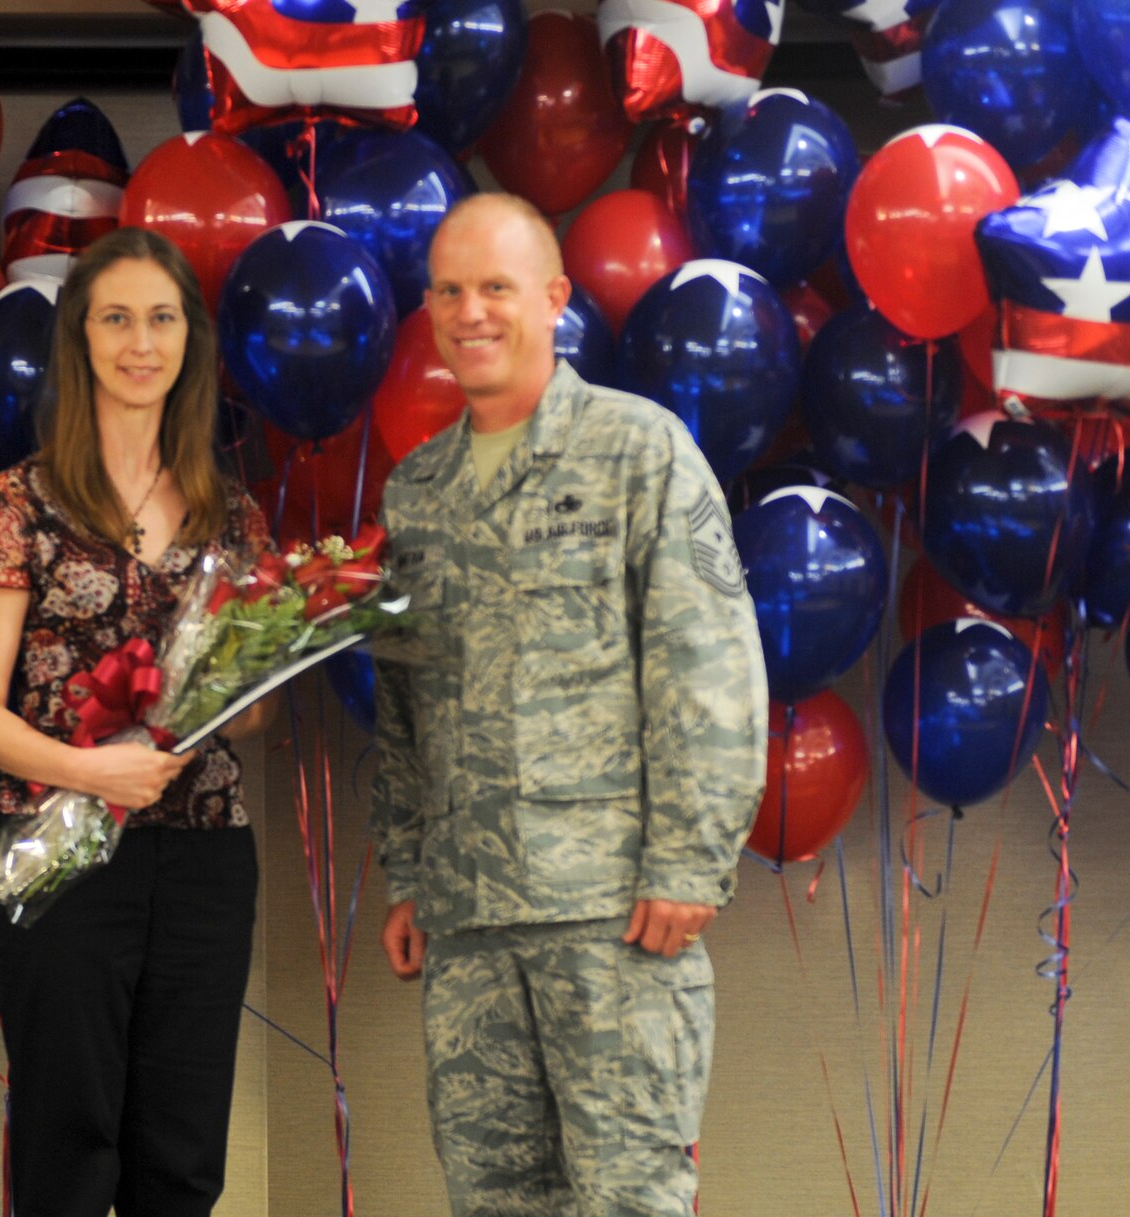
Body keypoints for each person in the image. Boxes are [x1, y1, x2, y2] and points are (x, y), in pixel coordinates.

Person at [370, 193, 768, 1217]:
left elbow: (707, 664)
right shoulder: (416, 492)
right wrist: (408, 871)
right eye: (449, 292)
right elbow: (402, 705)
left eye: (495, 288)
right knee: (492, 1198)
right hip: (466, 916)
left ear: (553, 299)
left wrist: (688, 861)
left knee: (627, 1196)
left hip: (611, 912)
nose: (470, 313)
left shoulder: (638, 451)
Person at [0, 226, 274, 1217]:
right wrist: (94, 771)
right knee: (68, 1150)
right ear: (80, 339)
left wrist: (213, 701)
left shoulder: (232, 516)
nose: (140, 342)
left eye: (161, 318)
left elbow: (254, 713)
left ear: (189, 340)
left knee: (183, 1156)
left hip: (205, 854)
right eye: (116, 318)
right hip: (62, 852)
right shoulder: (16, 505)